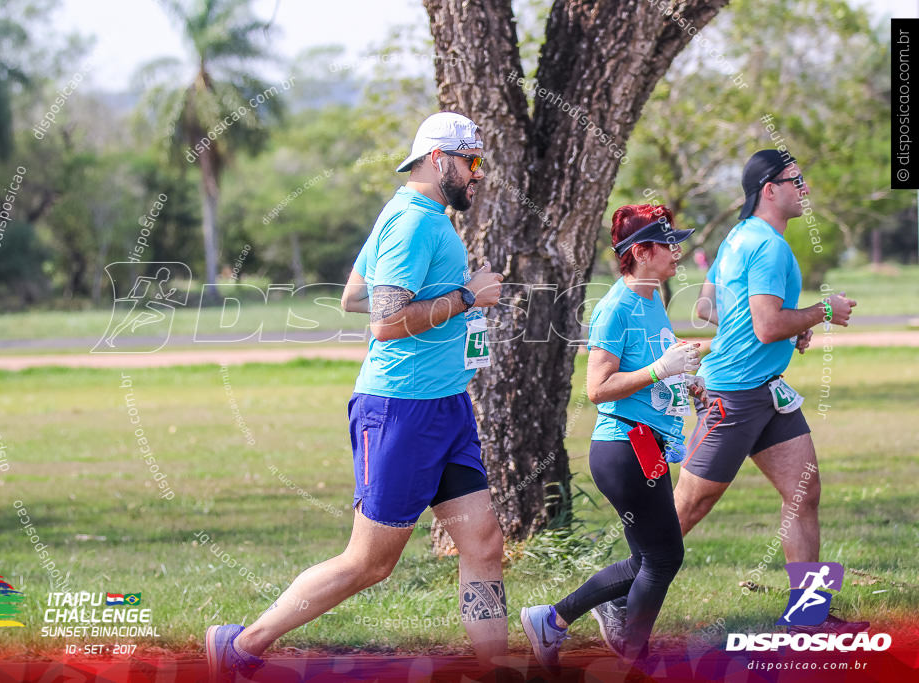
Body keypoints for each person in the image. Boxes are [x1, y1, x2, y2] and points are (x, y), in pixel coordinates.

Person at [205, 112, 507, 681]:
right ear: (440, 160)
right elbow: (384, 322)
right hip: (400, 409)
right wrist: (468, 297)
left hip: (445, 405)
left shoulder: (411, 216)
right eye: (472, 163)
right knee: (370, 563)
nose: (479, 175)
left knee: (484, 541)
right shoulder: (414, 224)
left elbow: (352, 296)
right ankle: (241, 644)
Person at [594, 149, 868, 640]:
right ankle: (614, 597)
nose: (803, 188)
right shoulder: (767, 246)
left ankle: (807, 615)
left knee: (804, 493)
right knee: (685, 509)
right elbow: (765, 326)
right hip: (734, 397)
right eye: (795, 180)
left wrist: (787, 327)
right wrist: (820, 312)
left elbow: (709, 305)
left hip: (768, 393)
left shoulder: (738, 238)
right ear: (769, 188)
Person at [521, 204, 704, 668]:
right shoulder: (615, 308)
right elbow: (598, 389)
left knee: (646, 560)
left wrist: (683, 379)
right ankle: (633, 663)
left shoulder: (652, 301)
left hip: (647, 447)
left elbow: (648, 374)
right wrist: (661, 367)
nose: (677, 252)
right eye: (669, 244)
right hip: (623, 448)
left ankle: (552, 620)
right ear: (641, 252)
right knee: (663, 559)